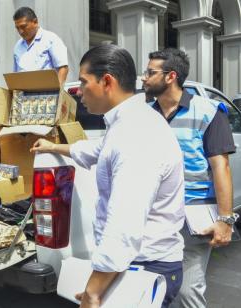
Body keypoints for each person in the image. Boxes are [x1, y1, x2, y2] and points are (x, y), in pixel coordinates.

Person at [31, 44, 185, 308]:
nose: (78, 91)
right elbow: (97, 150)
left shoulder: (135, 132)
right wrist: (53, 147)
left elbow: (124, 223)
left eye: (83, 81)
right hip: (128, 264)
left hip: (143, 266)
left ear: (107, 81)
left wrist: (93, 291)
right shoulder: (127, 123)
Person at [142, 48, 237, 308]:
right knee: (152, 287)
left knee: (186, 292)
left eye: (150, 72)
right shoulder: (146, 115)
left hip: (190, 215)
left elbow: (221, 168)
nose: (144, 78)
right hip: (152, 215)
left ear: (171, 76)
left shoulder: (207, 112)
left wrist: (225, 220)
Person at [13, 6, 69, 85]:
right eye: (17, 28)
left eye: (23, 26)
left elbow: (63, 68)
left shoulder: (50, 39)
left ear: (35, 22)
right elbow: (16, 76)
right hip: (24, 96)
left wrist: (58, 92)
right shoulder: (17, 46)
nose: (20, 31)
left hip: (47, 94)